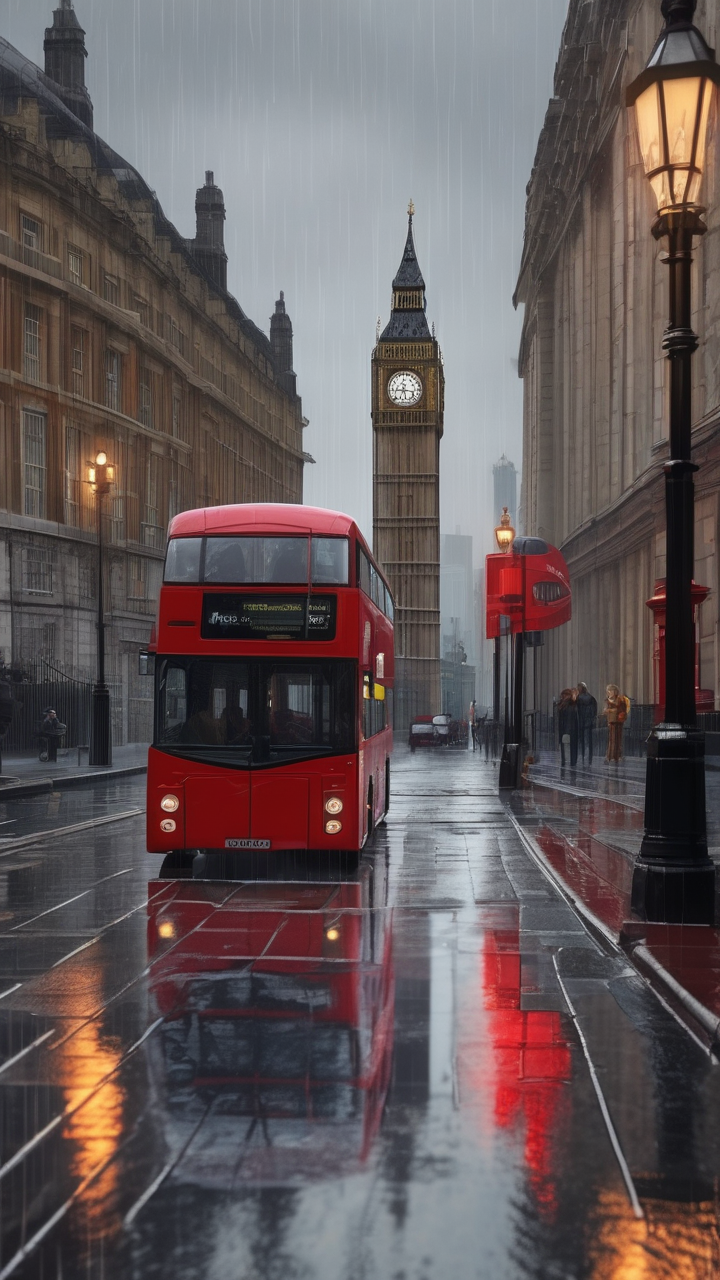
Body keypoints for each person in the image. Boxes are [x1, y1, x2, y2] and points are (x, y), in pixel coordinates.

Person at [602, 684, 630, 763]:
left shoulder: (621, 700)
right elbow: (604, 711)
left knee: (618, 739)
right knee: (612, 739)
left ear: (615, 691)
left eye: (611, 691)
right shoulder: (607, 701)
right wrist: (610, 710)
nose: (609, 692)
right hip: (611, 722)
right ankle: (610, 756)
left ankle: (617, 756)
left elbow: (623, 710)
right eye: (608, 691)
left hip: (619, 721)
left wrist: (614, 710)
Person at [576, 682, 597, 764]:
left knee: (581, 741)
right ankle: (589, 759)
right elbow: (594, 711)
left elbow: (577, 711)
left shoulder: (578, 698)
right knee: (589, 741)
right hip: (589, 722)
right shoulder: (591, 698)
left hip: (581, 722)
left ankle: (582, 757)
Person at [557, 688, 579, 768]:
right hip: (572, 728)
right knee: (572, 745)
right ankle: (572, 761)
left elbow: (567, 719)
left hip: (566, 728)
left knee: (565, 745)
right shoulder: (572, 705)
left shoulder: (565, 706)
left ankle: (565, 761)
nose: (562, 697)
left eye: (563, 695)